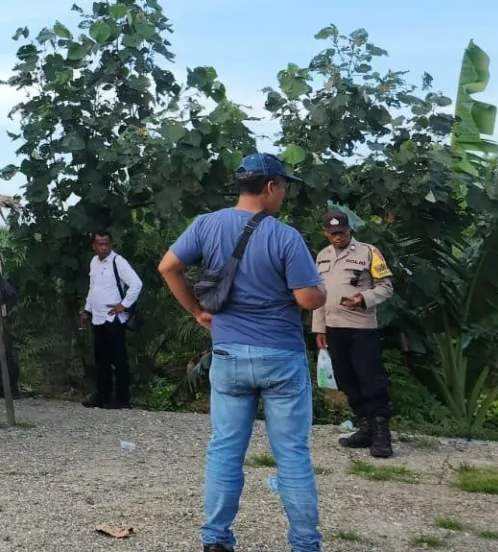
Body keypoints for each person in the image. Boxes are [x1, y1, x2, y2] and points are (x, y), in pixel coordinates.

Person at [158, 153, 327, 552]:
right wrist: (319, 291)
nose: (284, 193)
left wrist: (198, 312)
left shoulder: (205, 225)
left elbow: (168, 267)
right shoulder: (285, 236)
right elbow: (307, 298)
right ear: (270, 187)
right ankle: (305, 545)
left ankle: (216, 540)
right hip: (280, 357)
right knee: (292, 455)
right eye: (284, 186)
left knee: (225, 449)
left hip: (229, 355)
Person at [314, 208, 395, 458]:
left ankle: (382, 432)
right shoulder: (321, 256)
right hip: (333, 328)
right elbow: (318, 295)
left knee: (370, 378)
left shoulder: (368, 252)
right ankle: (365, 427)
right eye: (332, 233)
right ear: (325, 233)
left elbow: (386, 287)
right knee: (346, 379)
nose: (337, 237)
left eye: (341, 231)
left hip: (361, 328)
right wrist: (318, 328)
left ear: (349, 230)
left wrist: (364, 298)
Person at [79, 230, 143, 409]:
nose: (103, 247)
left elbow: (136, 284)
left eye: (106, 243)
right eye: (99, 244)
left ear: (111, 244)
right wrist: (86, 310)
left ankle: (122, 399)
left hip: (114, 319)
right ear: (94, 246)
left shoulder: (118, 261)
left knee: (119, 359)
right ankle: (102, 396)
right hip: (98, 317)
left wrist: (123, 305)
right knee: (101, 359)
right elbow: (93, 287)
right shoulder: (94, 262)